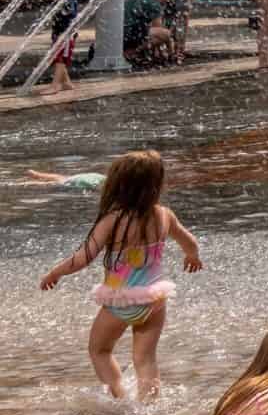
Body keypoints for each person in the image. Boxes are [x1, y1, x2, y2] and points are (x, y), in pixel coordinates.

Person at [37, 150, 204, 401]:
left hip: (120, 301)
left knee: (100, 350)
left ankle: (120, 397)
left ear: (118, 185)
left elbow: (83, 257)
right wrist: (192, 256)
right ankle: (149, 406)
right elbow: (189, 241)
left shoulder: (112, 220)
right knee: (145, 359)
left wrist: (55, 273)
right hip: (154, 299)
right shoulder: (164, 215)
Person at [38, 0, 81, 95]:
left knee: (60, 59)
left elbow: (70, 12)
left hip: (66, 33)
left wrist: (59, 12)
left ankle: (55, 86)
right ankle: (66, 83)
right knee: (58, 56)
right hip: (60, 31)